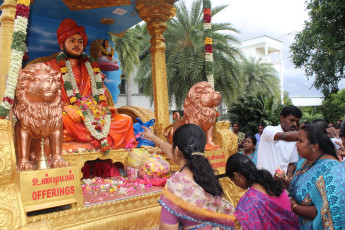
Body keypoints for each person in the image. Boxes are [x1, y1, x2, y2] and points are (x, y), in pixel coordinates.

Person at [45, 19, 136, 152]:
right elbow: (43, 98)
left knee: (126, 120)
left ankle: (79, 138)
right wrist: (64, 108)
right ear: (61, 45)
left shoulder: (92, 69)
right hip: (71, 116)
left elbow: (100, 97)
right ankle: (94, 140)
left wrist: (104, 109)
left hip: (93, 115)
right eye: (72, 41)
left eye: (80, 42)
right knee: (61, 120)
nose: (77, 44)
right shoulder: (50, 67)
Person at [142, 124, 236, 229]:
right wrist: (154, 139)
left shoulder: (175, 187)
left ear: (177, 151)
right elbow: (176, 154)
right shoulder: (207, 175)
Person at [287, 124, 341, 229]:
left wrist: (294, 206)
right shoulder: (305, 159)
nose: (296, 144)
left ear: (314, 146)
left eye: (300, 141)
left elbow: (325, 211)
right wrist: (286, 183)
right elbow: (303, 187)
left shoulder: (331, 169)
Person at [226, 153, 299, 229]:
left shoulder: (247, 203)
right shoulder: (277, 186)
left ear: (236, 176)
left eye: (232, 180)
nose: (235, 184)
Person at [257, 105, 302, 176]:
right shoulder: (269, 130)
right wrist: (308, 133)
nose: (294, 124)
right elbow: (285, 136)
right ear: (282, 118)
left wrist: (288, 176)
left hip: (280, 184)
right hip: (263, 181)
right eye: (292, 120)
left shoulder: (294, 140)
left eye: (297, 122)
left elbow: (291, 163)